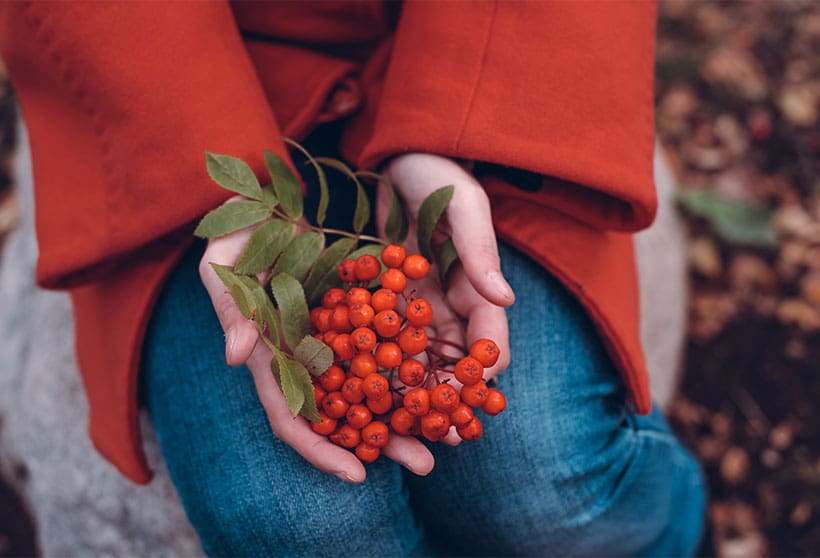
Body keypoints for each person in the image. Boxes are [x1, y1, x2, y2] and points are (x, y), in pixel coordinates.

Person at [0, 2, 705, 555]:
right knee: (302, 523)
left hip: (485, 56)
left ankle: (676, 538)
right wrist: (206, 168)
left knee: (540, 495)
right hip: (165, 82)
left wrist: (448, 125)